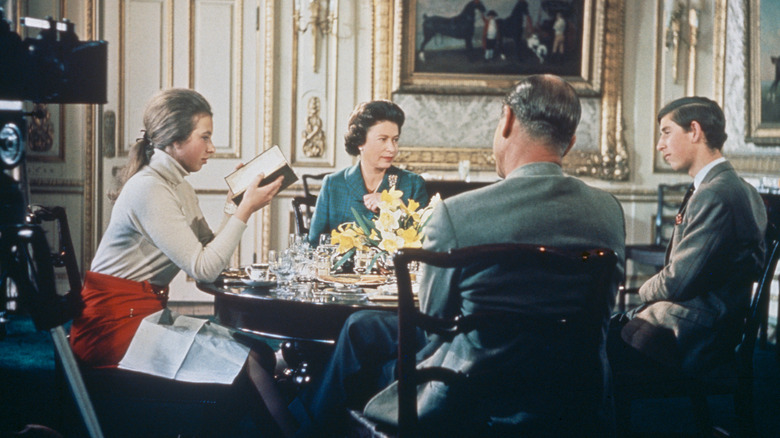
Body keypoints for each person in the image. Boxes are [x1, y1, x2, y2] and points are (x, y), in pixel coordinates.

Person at [296, 74, 626, 436]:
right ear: (571, 142)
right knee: (364, 327)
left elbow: (433, 323)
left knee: (364, 340)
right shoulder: (608, 212)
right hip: (575, 393)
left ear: (508, 121)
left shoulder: (458, 213)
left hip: (472, 392)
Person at [68, 88, 296, 437]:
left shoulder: (177, 186)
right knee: (245, 365)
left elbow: (207, 249)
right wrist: (245, 211)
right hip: (113, 329)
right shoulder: (149, 188)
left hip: (141, 316)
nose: (212, 148)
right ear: (174, 142)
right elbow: (203, 268)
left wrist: (235, 206)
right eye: (204, 137)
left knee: (260, 353)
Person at [608, 97, 767, 394]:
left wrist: (635, 294)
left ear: (694, 131)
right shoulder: (740, 187)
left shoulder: (716, 193)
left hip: (695, 336)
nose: (659, 145)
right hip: (709, 325)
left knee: (584, 352)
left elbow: (677, 281)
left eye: (666, 132)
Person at [306, 100, 429, 247]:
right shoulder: (333, 184)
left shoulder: (412, 183)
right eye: (383, 139)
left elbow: (425, 243)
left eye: (395, 140)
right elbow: (314, 244)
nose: (392, 148)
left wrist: (395, 206)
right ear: (360, 142)